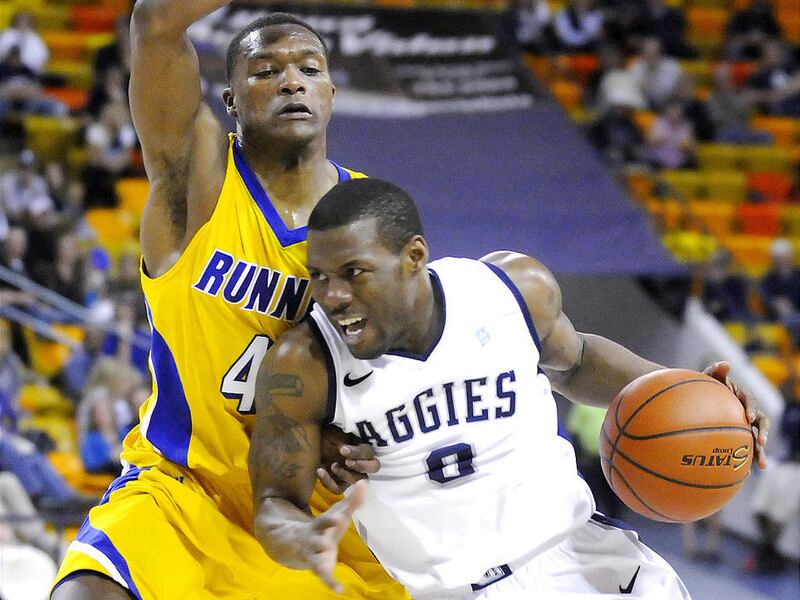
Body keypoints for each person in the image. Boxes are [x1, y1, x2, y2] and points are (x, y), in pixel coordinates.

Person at [248, 178, 769, 598]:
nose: (332, 296)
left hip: (586, 560)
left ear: (413, 256)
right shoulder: (306, 364)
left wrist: (691, 395)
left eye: (353, 273)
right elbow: (275, 501)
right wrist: (304, 537)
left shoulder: (509, 289)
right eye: (319, 277)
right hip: (457, 590)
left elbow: (579, 361)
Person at [51, 4, 406, 600]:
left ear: (331, 92)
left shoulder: (375, 215)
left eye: (308, 68)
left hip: (314, 514)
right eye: (265, 70)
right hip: (185, 489)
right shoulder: (196, 184)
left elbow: (406, 370)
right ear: (231, 101)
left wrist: (347, 435)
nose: (291, 80)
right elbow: (156, 21)